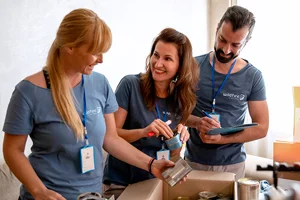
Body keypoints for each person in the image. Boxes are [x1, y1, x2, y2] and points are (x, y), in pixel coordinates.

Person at [2, 9, 180, 200]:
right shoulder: (28, 91)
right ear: (70, 47)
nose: (101, 59)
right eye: (95, 52)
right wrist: (39, 191)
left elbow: (111, 139)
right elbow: (12, 150)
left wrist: (151, 164)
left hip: (92, 195)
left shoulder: (100, 84)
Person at [102, 28, 199, 198]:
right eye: (156, 55)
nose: (158, 63)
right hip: (122, 182)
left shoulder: (182, 99)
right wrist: (143, 132)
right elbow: (111, 135)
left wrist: (178, 140)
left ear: (180, 66)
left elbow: (174, 156)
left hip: (154, 181)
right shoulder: (130, 85)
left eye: (167, 59)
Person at [185, 5, 269, 180]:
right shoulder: (192, 66)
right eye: (222, 40)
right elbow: (176, 112)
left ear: (246, 41)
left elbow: (262, 128)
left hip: (232, 165)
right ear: (217, 29)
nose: (226, 49)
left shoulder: (253, 76)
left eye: (235, 45)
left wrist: (222, 139)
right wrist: (197, 123)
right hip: (193, 163)